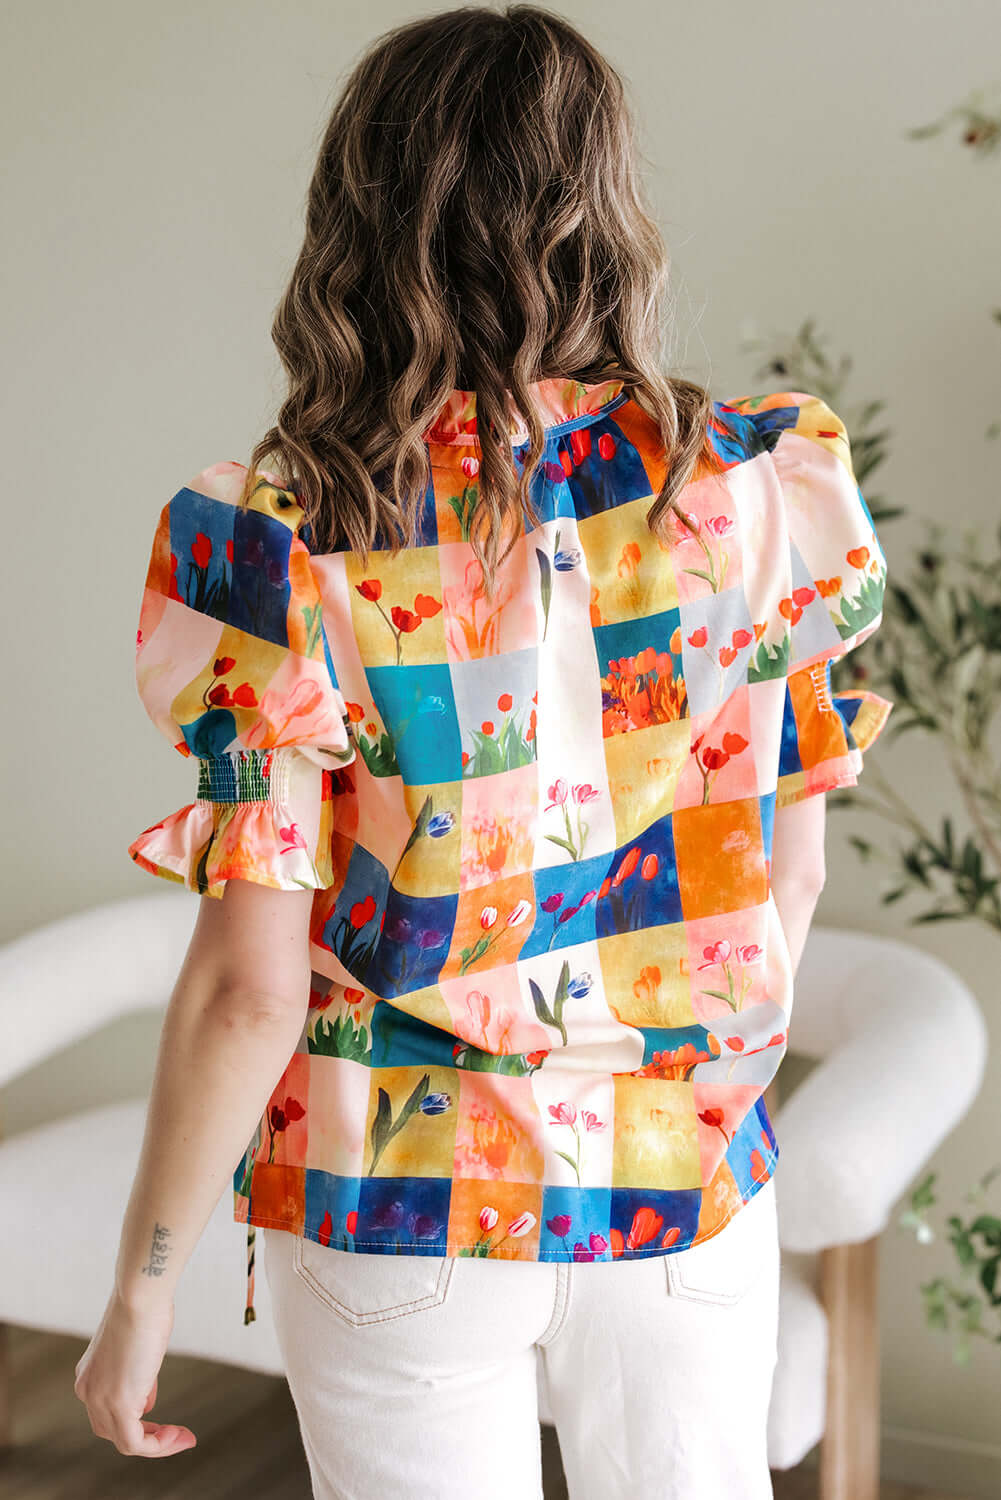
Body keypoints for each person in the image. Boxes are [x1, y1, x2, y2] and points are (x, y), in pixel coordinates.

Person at [73, 5, 894, 1497]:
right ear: (603, 209)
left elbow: (253, 985)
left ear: (359, 213)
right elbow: (787, 875)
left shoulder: (283, 532)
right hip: (682, 1188)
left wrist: (143, 1284)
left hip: (397, 1202)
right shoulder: (758, 488)